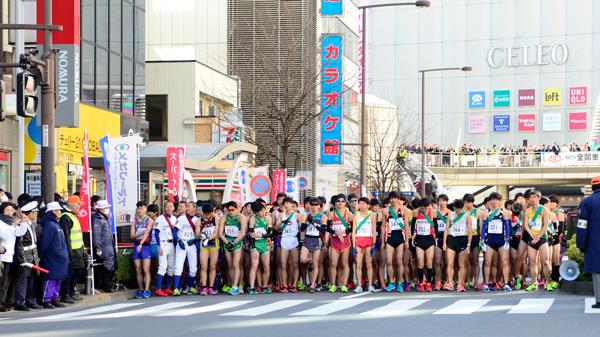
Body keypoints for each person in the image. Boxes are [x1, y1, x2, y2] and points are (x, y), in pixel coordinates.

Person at [37, 202, 69, 309]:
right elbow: (44, 243)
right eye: (58, 210)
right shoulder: (50, 225)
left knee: (58, 278)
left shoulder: (55, 223)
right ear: (53, 212)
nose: (60, 212)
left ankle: (54, 298)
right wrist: (41, 255)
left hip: (58, 257)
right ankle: (46, 300)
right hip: (52, 257)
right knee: (50, 279)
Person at [480, 192, 512, 292]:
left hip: (501, 240)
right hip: (489, 239)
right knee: (487, 261)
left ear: (500, 201)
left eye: (496, 200)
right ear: (489, 201)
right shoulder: (486, 212)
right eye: (492, 200)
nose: (494, 202)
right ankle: (486, 283)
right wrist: (482, 240)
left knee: (504, 261)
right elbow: (483, 227)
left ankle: (506, 283)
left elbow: (507, 227)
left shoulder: (505, 212)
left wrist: (507, 240)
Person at [14, 201, 43, 311]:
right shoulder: (23, 225)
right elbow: (19, 244)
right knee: (23, 280)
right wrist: (22, 260)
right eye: (34, 212)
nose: (36, 214)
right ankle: (20, 302)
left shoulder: (32, 224)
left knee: (32, 280)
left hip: (32, 255)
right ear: (29, 213)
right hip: (25, 256)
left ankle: (31, 301)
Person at [577, 176, 600, 309]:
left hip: (594, 243)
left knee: (597, 272)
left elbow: (582, 226)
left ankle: (599, 301)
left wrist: (581, 243)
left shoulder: (587, 202)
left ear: (592, 187)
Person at [0, 202, 28, 311]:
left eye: (12, 210)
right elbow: (4, 236)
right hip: (2, 255)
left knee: (7, 281)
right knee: (2, 281)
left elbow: (19, 233)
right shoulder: (1, 222)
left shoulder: (12, 222)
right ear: (2, 211)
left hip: (10, 255)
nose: (10, 212)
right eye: (7, 210)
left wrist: (23, 222)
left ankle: (4, 301)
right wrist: (14, 226)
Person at [522, 190, 552, 292]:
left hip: (542, 238)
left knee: (545, 261)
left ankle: (548, 283)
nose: (532, 199)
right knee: (532, 261)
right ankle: (534, 283)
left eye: (535, 197)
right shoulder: (527, 210)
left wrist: (538, 236)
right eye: (531, 198)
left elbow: (545, 225)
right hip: (532, 237)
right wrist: (532, 235)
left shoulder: (544, 210)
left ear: (539, 198)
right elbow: (525, 225)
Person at [59, 195, 86, 303]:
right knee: (70, 273)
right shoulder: (66, 217)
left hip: (77, 249)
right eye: (78, 204)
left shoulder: (72, 215)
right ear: (72, 205)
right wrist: (69, 252)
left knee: (77, 272)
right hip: (72, 251)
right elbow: (66, 236)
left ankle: (71, 291)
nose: (80, 206)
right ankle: (66, 294)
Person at [382, 192, 410, 292]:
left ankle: (399, 283)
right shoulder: (385, 211)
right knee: (389, 261)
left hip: (400, 238)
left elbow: (406, 226)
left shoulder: (403, 210)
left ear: (398, 199)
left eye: (395, 198)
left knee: (399, 261)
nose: (393, 200)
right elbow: (383, 226)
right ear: (389, 200)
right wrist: (382, 241)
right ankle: (391, 282)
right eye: (391, 198)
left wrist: (407, 240)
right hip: (389, 237)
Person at [443, 199, 472, 292]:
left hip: (462, 239)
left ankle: (460, 284)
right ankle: (450, 283)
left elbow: (470, 232)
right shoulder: (450, 215)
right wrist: (444, 242)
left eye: (459, 209)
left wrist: (468, 245)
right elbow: (446, 229)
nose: (458, 211)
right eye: (456, 208)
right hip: (452, 239)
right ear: (454, 207)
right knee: (450, 263)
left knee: (461, 264)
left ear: (462, 208)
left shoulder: (467, 216)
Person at [219, 201, 247, 295]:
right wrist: (227, 242)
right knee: (230, 264)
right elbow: (220, 233)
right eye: (229, 210)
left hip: (237, 242)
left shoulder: (241, 217)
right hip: (227, 241)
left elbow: (242, 233)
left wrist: (234, 242)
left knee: (236, 264)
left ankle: (236, 286)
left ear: (237, 209)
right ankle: (232, 285)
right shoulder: (224, 217)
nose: (230, 212)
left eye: (232, 210)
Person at [276, 198, 303, 293]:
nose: (287, 205)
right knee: (283, 264)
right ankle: (284, 285)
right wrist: (281, 223)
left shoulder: (297, 215)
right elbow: (276, 228)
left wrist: (301, 241)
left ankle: (294, 285)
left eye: (288, 203)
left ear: (292, 204)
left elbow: (301, 229)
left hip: (294, 240)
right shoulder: (281, 215)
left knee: (295, 264)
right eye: (285, 203)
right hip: (284, 239)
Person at [300, 198, 327, 292]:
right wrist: (308, 222)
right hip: (307, 239)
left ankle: (312, 285)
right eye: (312, 204)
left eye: (316, 205)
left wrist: (314, 224)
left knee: (315, 264)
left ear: (319, 206)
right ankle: (310, 260)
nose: (314, 206)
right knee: (303, 259)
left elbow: (323, 230)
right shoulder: (306, 215)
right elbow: (302, 229)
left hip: (316, 239)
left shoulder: (322, 216)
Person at [327, 194, 352, 293]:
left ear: (345, 203)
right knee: (333, 263)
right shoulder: (331, 214)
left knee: (344, 263)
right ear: (335, 203)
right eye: (338, 201)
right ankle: (333, 284)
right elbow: (328, 228)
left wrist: (343, 233)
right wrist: (336, 233)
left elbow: (351, 228)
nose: (340, 203)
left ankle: (344, 285)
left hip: (345, 241)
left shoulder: (349, 214)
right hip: (335, 240)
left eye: (342, 201)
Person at [172, 201, 200, 295]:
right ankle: (176, 288)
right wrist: (179, 240)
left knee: (193, 267)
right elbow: (174, 232)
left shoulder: (197, 220)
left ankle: (191, 287)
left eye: (189, 206)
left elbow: (199, 234)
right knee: (178, 266)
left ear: (194, 208)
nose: (187, 208)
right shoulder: (181, 218)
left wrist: (195, 240)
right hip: (182, 243)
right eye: (187, 206)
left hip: (192, 244)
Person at [351, 197, 377, 293]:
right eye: (360, 203)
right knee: (358, 264)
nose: (361, 205)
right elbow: (353, 231)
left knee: (369, 264)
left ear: (368, 205)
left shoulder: (372, 215)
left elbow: (374, 231)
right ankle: (359, 285)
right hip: (358, 241)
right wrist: (353, 245)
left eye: (363, 203)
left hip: (368, 241)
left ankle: (370, 285)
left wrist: (374, 244)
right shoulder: (356, 215)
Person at [92, 200, 117, 293]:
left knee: (109, 266)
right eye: (106, 208)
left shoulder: (103, 218)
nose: (108, 209)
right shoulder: (98, 219)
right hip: (105, 247)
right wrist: (98, 248)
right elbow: (96, 235)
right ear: (101, 209)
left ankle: (107, 286)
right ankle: (107, 286)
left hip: (108, 247)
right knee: (106, 267)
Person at [248, 202, 273, 295]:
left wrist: (263, 235)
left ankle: (265, 286)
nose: (263, 212)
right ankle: (251, 287)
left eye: (264, 210)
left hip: (265, 244)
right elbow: (251, 234)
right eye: (261, 211)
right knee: (254, 265)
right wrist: (263, 235)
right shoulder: (253, 219)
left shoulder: (268, 218)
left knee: (266, 266)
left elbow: (270, 233)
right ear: (256, 212)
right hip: (255, 244)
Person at [412, 198, 436, 292]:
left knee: (429, 262)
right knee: (420, 262)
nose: (424, 209)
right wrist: (412, 236)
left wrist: (436, 236)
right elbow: (413, 226)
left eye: (426, 207)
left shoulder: (432, 212)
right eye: (423, 207)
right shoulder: (415, 212)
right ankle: (421, 282)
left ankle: (429, 283)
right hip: (419, 238)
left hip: (429, 238)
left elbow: (436, 225)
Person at [130, 201, 154, 299]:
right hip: (136, 246)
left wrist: (141, 243)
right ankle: (141, 289)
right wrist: (139, 234)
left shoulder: (149, 220)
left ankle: (147, 289)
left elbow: (147, 232)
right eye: (138, 208)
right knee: (138, 269)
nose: (140, 210)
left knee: (145, 269)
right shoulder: (134, 221)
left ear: (145, 209)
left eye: (142, 208)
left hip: (145, 246)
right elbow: (132, 236)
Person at [153, 201, 176, 297]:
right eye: (167, 206)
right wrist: (158, 246)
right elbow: (156, 233)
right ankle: (158, 289)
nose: (169, 208)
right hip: (163, 244)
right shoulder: (160, 218)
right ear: (164, 208)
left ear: (173, 208)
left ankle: (167, 287)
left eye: (171, 206)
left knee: (171, 267)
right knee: (162, 266)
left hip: (172, 245)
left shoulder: (175, 219)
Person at [198, 203, 221, 295]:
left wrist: (209, 238)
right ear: (203, 212)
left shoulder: (216, 219)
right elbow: (196, 234)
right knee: (203, 266)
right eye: (206, 214)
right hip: (204, 244)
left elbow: (216, 233)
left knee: (212, 266)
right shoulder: (199, 220)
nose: (208, 216)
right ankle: (204, 287)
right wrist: (201, 235)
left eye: (210, 213)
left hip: (213, 244)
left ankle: (211, 287)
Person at [434, 194, 451, 291]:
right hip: (437, 239)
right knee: (437, 262)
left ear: (447, 202)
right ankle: (438, 281)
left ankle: (447, 281)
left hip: (448, 239)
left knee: (446, 262)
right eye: (440, 200)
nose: (441, 202)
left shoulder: (450, 213)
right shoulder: (435, 213)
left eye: (443, 200)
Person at [548, 195, 565, 290]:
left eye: (553, 202)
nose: (551, 204)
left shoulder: (559, 213)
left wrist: (553, 235)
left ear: (557, 204)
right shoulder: (545, 213)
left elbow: (560, 229)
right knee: (547, 260)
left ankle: (555, 279)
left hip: (556, 239)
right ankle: (547, 279)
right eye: (550, 202)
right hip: (546, 238)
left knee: (555, 259)